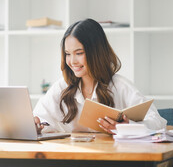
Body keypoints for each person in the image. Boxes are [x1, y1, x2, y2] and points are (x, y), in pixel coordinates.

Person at [33, 18, 166, 134]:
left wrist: (128, 127)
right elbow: (39, 118)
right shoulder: (62, 86)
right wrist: (36, 126)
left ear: (96, 53)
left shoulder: (119, 86)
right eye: (68, 53)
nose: (72, 61)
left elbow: (157, 122)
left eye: (79, 53)